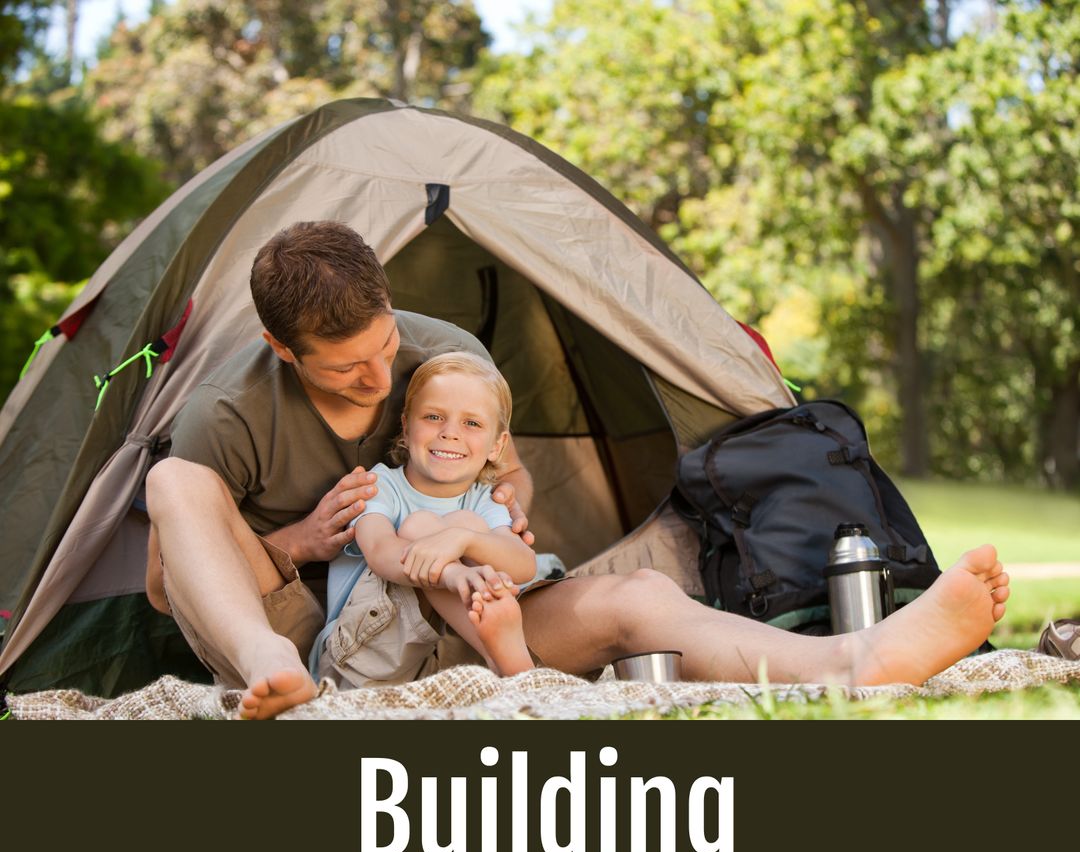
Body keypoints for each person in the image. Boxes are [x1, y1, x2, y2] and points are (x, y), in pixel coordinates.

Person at [145, 220, 1010, 719]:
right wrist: (295, 541)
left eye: (384, 348)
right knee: (172, 484)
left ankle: (854, 661)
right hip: (316, 632)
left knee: (639, 599)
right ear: (281, 350)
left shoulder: (443, 356)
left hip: (474, 617)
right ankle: (272, 672)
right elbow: (163, 583)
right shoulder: (229, 412)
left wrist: (499, 522)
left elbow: (507, 480)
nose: (380, 381)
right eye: (344, 369)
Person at [312, 350, 536, 686]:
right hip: (362, 658)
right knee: (420, 525)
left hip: (441, 654)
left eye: (472, 423)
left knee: (471, 528)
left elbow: (524, 564)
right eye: (433, 417)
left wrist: (465, 540)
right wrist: (451, 573)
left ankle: (501, 657)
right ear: (405, 426)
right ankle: (511, 664)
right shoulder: (380, 485)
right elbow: (381, 551)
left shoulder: (482, 499)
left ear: (497, 445)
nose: (450, 433)